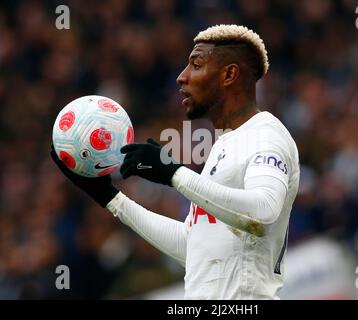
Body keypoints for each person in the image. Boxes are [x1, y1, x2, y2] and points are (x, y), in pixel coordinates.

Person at [51, 24, 300, 299]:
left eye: (196, 64)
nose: (182, 77)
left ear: (229, 74)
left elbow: (262, 214)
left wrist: (173, 173)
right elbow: (195, 246)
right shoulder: (225, 144)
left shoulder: (265, 136)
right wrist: (109, 197)